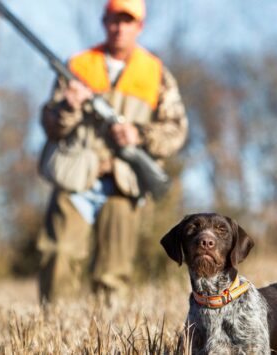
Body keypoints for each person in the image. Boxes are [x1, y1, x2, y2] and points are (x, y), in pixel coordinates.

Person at [37, 0, 188, 303]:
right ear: (103, 22)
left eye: (127, 20)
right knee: (59, 256)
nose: (119, 27)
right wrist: (69, 105)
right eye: (113, 20)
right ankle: (53, 326)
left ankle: (107, 338)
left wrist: (140, 135)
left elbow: (176, 131)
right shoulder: (77, 65)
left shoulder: (156, 73)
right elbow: (51, 125)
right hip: (76, 173)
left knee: (113, 272)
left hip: (124, 179)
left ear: (139, 26)